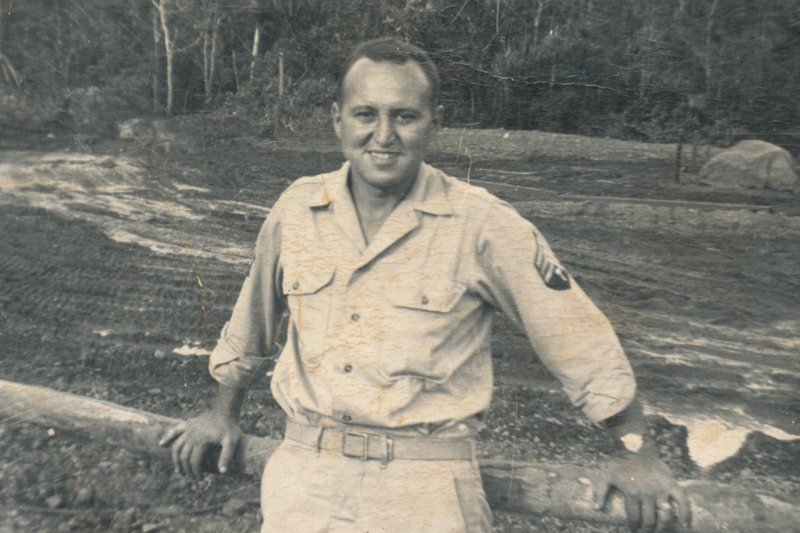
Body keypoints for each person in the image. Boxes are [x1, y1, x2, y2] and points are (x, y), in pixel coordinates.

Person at [159, 37, 691, 533]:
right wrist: (221, 413)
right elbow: (251, 322)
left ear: (434, 122)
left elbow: (577, 337)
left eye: (405, 116)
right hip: (305, 483)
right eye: (365, 114)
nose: (383, 134)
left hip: (425, 492)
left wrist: (638, 452)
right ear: (337, 120)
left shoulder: (483, 224)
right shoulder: (297, 208)